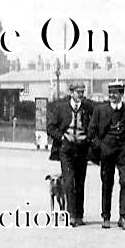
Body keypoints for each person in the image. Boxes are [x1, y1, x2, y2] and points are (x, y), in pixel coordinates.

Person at [88, 82, 125, 230]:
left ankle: (122, 216)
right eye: (110, 93)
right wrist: (100, 146)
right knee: (106, 183)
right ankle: (106, 217)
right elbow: (92, 132)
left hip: (124, 152)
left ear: (121, 94)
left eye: (115, 93)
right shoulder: (100, 110)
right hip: (107, 152)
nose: (112, 95)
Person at [47, 83, 95, 227]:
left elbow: (93, 126)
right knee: (68, 182)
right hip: (66, 149)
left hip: (82, 148)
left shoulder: (87, 108)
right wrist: (61, 137)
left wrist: (88, 138)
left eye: (82, 92)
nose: (80, 94)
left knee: (80, 182)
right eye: (78, 92)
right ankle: (71, 215)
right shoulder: (61, 108)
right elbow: (51, 127)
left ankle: (79, 216)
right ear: (71, 92)